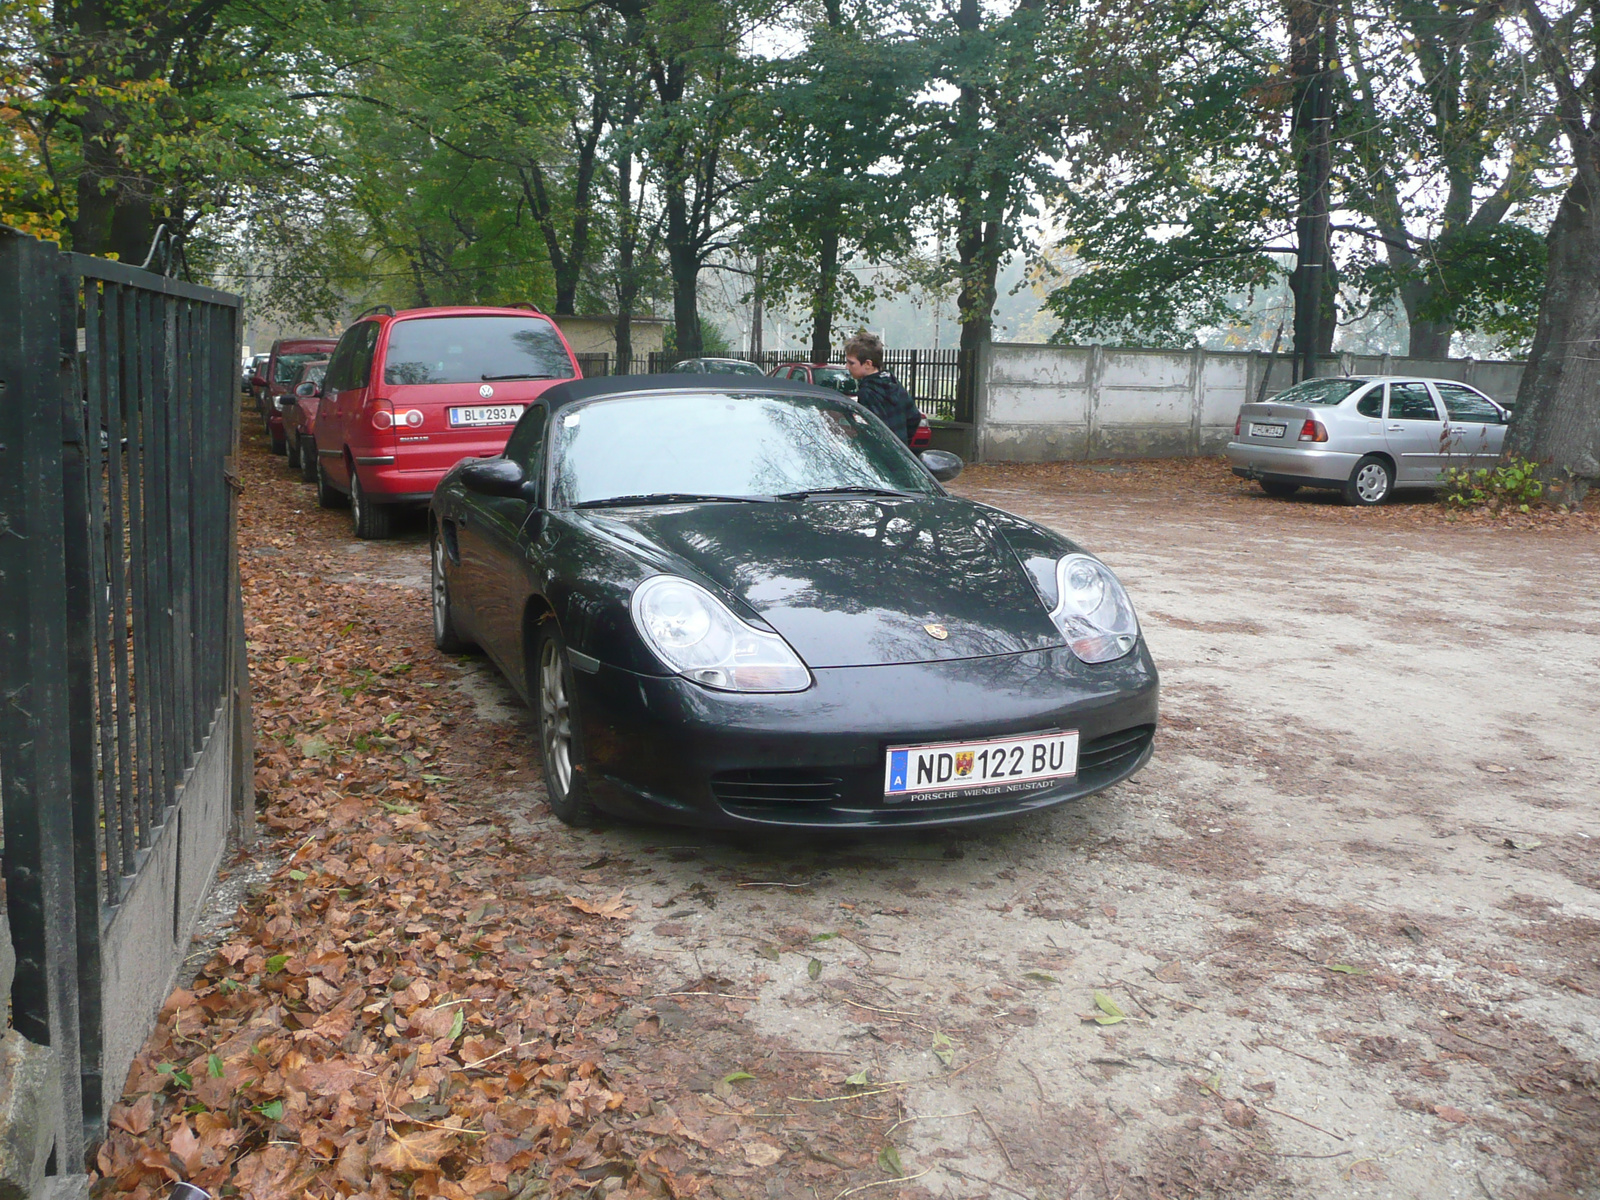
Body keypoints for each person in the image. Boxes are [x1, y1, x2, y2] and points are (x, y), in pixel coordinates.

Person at [843, 332, 919, 447]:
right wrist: (902, 443)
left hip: (882, 457)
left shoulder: (868, 392)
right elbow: (914, 417)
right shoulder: (893, 383)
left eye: (851, 363)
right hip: (900, 454)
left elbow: (873, 432)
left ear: (868, 364)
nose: (847, 367)